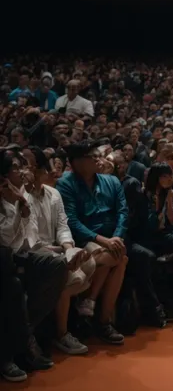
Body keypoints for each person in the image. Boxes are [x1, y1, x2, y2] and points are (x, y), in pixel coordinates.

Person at [0, 150, 69, 376]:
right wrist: (18, 206)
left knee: (58, 264)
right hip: (7, 256)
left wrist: (22, 202)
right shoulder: (9, 197)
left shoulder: (22, 191)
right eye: (15, 168)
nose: (21, 171)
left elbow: (27, 237)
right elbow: (6, 239)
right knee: (13, 285)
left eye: (22, 166)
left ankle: (26, 332)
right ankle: (15, 350)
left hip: (23, 253)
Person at [21, 147, 94, 355]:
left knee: (88, 262)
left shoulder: (53, 193)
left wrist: (69, 248)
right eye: (22, 164)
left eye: (29, 163)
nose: (25, 168)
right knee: (67, 272)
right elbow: (30, 240)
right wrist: (62, 254)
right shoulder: (21, 196)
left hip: (54, 249)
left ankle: (53, 327)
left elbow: (63, 225)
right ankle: (59, 333)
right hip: (33, 253)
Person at [54, 142, 127, 344]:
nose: (97, 159)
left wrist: (117, 236)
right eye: (91, 156)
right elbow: (72, 221)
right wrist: (103, 240)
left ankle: (94, 306)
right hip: (85, 239)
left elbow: (122, 212)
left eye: (98, 155)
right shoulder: (65, 184)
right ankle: (102, 321)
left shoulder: (111, 181)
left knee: (120, 257)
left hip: (111, 238)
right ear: (76, 162)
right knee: (118, 258)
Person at [124, 163, 173, 323]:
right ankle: (156, 305)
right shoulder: (143, 195)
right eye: (165, 176)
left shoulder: (169, 194)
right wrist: (158, 209)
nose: (170, 179)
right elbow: (147, 224)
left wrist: (169, 202)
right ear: (156, 177)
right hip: (144, 237)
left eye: (171, 175)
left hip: (161, 235)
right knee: (149, 255)